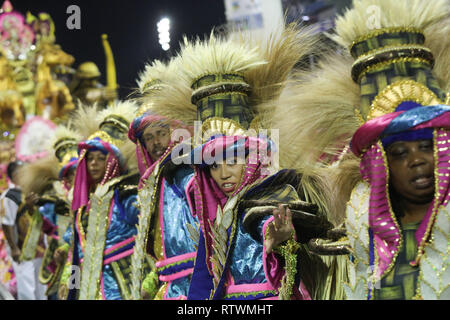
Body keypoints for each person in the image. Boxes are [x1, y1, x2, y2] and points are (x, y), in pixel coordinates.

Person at [157, 24, 333, 300]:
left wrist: (281, 244)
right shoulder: (215, 215)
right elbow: (204, 282)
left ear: (252, 159)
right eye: (213, 165)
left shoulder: (276, 195)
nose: (223, 173)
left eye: (233, 160)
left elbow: (271, 230)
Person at [128, 58, 199, 300]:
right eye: (149, 137)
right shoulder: (149, 184)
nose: (156, 143)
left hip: (197, 283)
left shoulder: (188, 170)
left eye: (162, 133)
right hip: (170, 285)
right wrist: (151, 281)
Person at [1, 161, 47, 300]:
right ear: (15, 175)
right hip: (21, 249)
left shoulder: (31, 191)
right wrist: (14, 248)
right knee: (27, 288)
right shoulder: (9, 196)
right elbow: (6, 223)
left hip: (39, 247)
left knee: (41, 286)